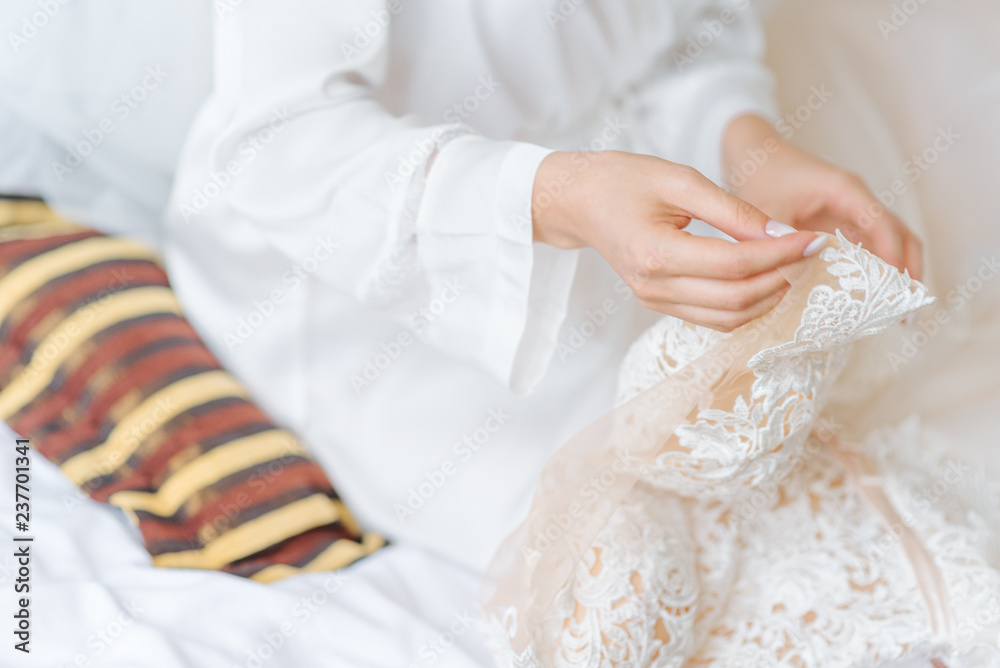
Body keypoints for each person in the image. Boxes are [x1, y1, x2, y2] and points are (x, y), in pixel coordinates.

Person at [162, 0, 922, 578]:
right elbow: (283, 139)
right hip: (367, 276)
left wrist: (750, 150)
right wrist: (557, 197)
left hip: (614, 231)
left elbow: (684, 35)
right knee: (629, 557)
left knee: (839, 501)